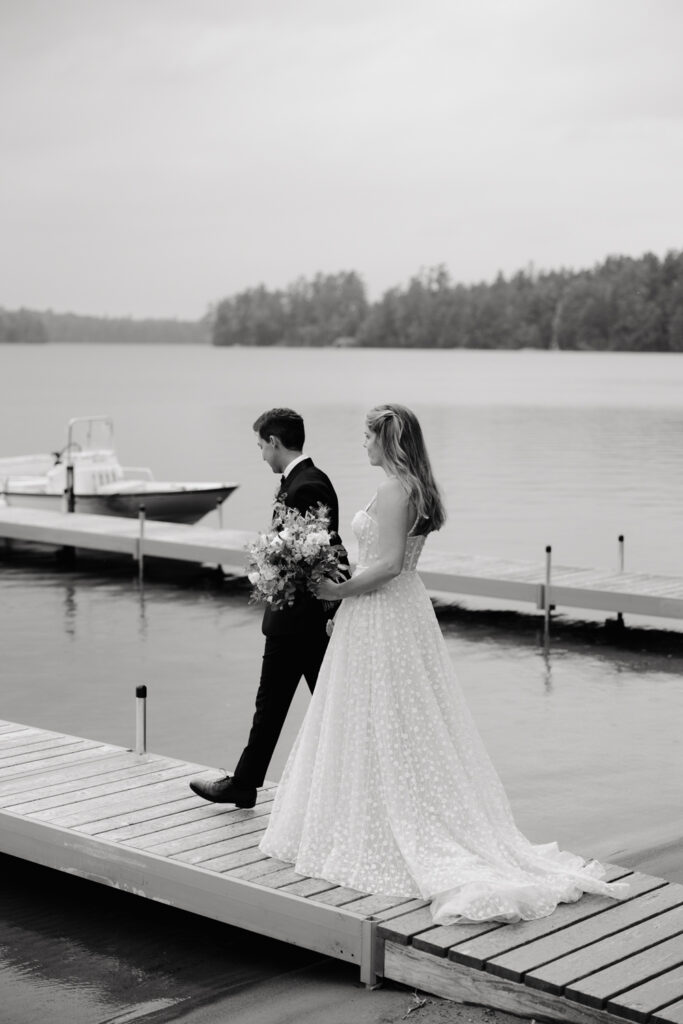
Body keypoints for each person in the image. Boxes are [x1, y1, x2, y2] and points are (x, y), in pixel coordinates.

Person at [259, 403, 627, 924]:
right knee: (395, 719)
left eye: (366, 436)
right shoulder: (413, 486)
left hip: (384, 612)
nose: (360, 444)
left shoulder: (393, 490)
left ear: (385, 439)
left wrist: (337, 590)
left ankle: (390, 823)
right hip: (401, 611)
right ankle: (378, 809)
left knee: (382, 717)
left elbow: (385, 566)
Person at [189, 408, 344, 809]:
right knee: (310, 705)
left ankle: (246, 784)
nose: (260, 454)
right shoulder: (305, 480)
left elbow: (320, 550)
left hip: (300, 620)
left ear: (275, 442)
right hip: (300, 619)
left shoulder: (306, 485)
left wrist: (269, 568)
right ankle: (246, 783)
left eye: (260, 445)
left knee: (297, 706)